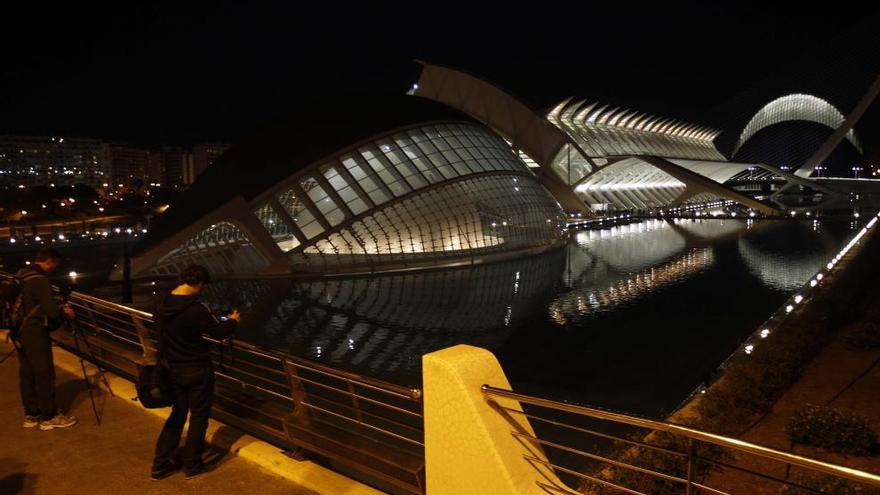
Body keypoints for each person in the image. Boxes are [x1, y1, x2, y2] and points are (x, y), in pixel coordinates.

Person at [151, 265, 239, 481]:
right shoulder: (196, 309)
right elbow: (218, 331)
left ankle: (160, 465)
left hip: (172, 368)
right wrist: (234, 320)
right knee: (199, 417)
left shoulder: (161, 302)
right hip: (197, 369)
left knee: (178, 414)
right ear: (200, 284)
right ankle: (192, 464)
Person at [15, 248, 78, 430]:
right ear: (49, 261)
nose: (54, 269)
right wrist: (64, 313)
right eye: (55, 265)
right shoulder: (40, 280)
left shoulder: (21, 275)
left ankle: (31, 414)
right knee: (44, 373)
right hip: (34, 331)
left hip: (18, 330)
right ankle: (49, 416)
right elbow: (51, 311)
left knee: (27, 372)